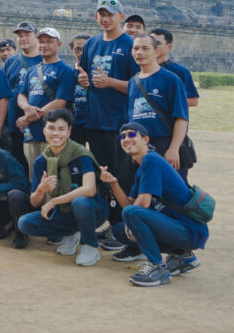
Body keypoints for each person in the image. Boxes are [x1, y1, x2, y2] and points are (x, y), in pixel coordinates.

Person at [101, 121, 208, 287]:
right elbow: (129, 204)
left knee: (131, 214)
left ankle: (158, 267)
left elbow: (142, 203)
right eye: (122, 136)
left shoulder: (151, 160)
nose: (126, 139)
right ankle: (181, 255)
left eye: (132, 134)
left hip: (190, 229)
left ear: (145, 139)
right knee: (119, 230)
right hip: (179, 228)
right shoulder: (142, 168)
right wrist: (114, 184)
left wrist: (130, 218)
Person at [17, 109, 108, 266]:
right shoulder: (41, 161)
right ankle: (71, 234)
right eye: (51, 128)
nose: (56, 133)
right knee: (24, 223)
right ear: (44, 130)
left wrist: (54, 201)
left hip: (93, 211)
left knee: (79, 201)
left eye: (61, 129)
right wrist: (41, 189)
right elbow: (34, 202)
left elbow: (90, 189)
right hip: (64, 212)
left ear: (69, 131)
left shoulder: (81, 154)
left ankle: (90, 247)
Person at [77, 0, 138, 221]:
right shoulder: (92, 44)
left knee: (122, 176)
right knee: (101, 174)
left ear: (121, 17)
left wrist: (110, 82)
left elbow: (139, 85)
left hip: (120, 123)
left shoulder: (130, 45)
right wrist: (84, 80)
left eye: (110, 14)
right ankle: (106, 220)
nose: (105, 19)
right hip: (95, 121)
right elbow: (84, 75)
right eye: (101, 14)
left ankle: (122, 224)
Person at [16, 28, 75, 178]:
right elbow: (21, 95)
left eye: (49, 41)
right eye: (41, 41)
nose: (44, 45)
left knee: (52, 176)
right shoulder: (32, 70)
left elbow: (60, 101)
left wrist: (29, 117)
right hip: (31, 134)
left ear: (58, 44)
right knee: (33, 176)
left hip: (52, 134)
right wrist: (26, 107)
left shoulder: (65, 70)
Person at [127, 34, 189, 172]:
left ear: (156, 52)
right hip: (139, 145)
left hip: (164, 144)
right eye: (136, 48)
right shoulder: (132, 82)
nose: (139, 52)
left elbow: (181, 118)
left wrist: (173, 149)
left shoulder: (171, 80)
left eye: (145, 48)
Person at [3, 21, 43, 176]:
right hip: (15, 123)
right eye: (20, 35)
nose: (23, 38)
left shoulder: (46, 58)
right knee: (19, 165)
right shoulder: (11, 61)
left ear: (36, 36)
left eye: (27, 34)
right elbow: (4, 92)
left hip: (39, 125)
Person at [150, 28, 200, 108]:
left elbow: (193, 101)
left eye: (158, 43)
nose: (154, 46)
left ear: (169, 47)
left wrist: (163, 101)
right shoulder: (142, 69)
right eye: (151, 43)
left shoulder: (180, 71)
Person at [68, 33, 92, 144]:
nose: (82, 53)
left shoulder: (99, 73)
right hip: (74, 123)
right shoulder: (67, 73)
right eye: (78, 49)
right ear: (72, 50)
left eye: (85, 49)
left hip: (94, 122)